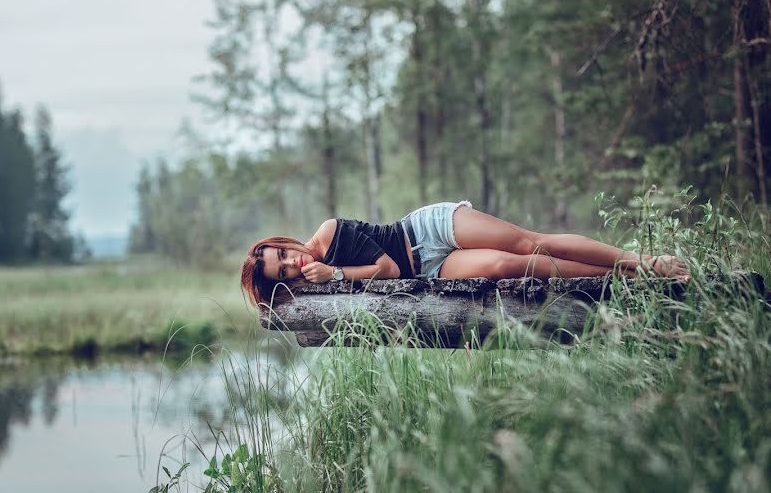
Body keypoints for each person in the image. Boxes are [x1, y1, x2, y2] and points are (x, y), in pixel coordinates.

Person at [240, 201, 688, 307]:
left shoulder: (328, 234)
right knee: (509, 266)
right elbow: (400, 281)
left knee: (530, 242)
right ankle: (628, 280)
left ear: (283, 242)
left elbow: (387, 269)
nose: (292, 262)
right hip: (433, 268)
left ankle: (642, 263)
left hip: (427, 229)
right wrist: (321, 283)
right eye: (284, 270)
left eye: (282, 253)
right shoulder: (313, 283)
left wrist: (335, 276)